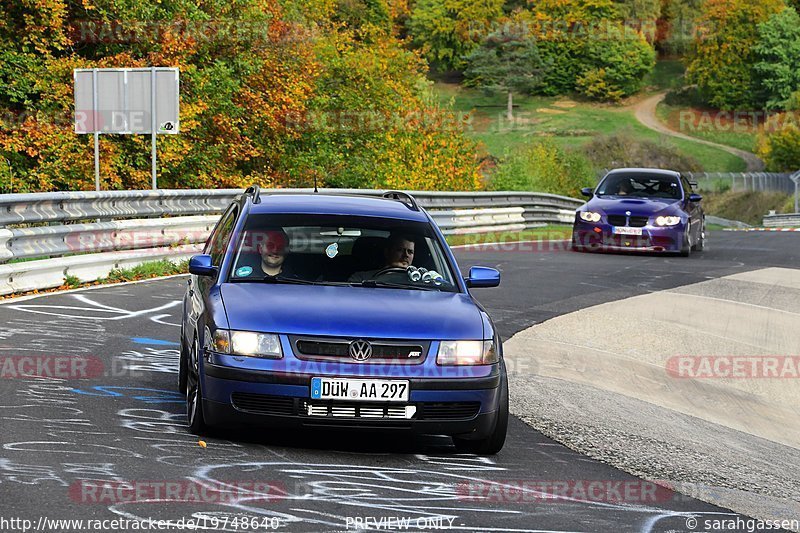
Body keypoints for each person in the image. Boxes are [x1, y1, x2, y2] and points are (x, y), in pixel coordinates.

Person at [348, 233, 415, 283]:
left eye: (410, 252)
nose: (406, 255)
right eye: (400, 250)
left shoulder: (420, 279)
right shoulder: (360, 278)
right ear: (387, 252)